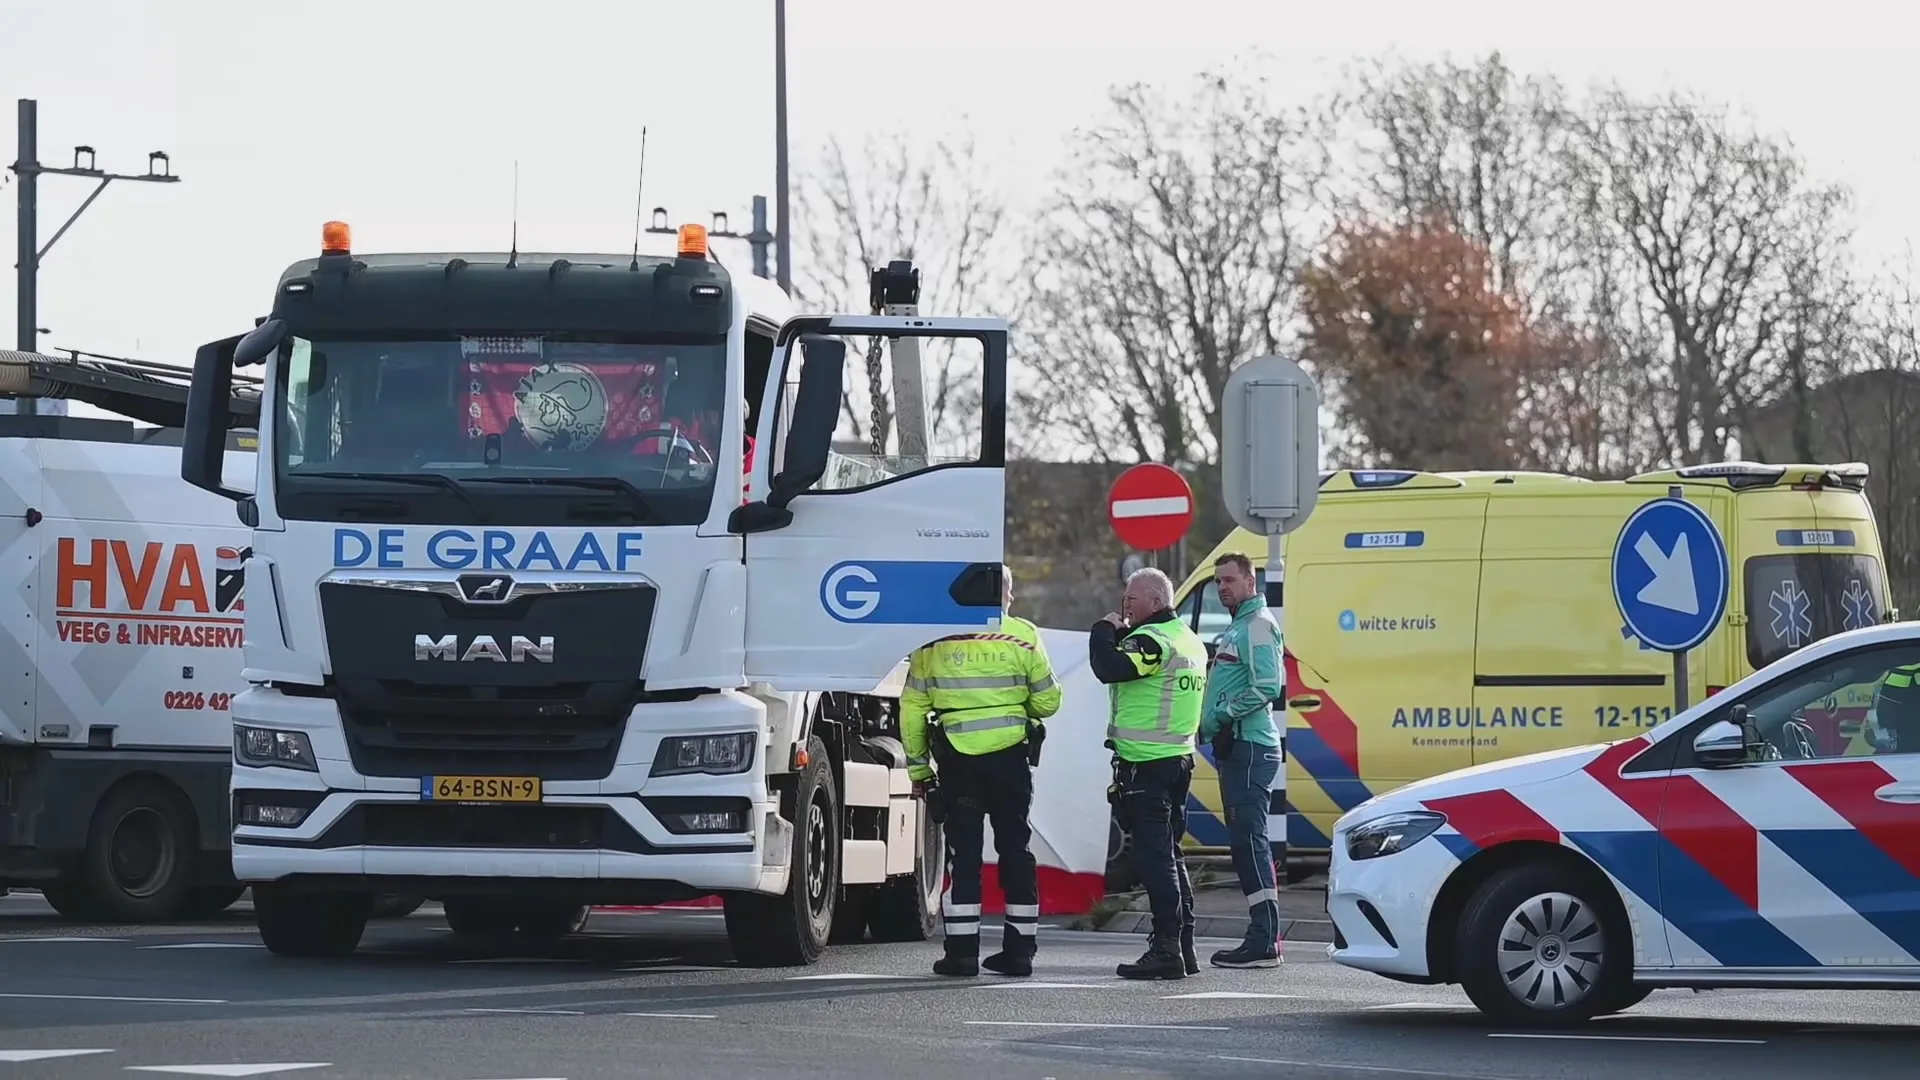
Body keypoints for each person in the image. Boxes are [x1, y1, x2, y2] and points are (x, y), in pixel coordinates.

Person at [901, 565, 1062, 978]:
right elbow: (1048, 702)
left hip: (959, 763)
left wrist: (919, 769)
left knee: (964, 857)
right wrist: (1012, 709)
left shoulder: (933, 641)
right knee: (1016, 852)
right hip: (1010, 761)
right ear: (1004, 594)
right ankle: (1020, 951)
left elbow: (912, 711)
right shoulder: (1023, 635)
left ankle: (961, 954)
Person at [1091, 566, 1207, 980]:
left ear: (1156, 602)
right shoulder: (1188, 640)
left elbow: (1109, 666)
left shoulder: (1152, 641)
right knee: (1170, 855)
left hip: (1147, 763)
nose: (1124, 605)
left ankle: (1165, 950)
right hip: (1177, 759)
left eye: (1132, 599)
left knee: (1155, 859)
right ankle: (1184, 947)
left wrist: (1102, 629)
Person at [1198, 552, 1285, 968]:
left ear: (1251, 582)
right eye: (1218, 581)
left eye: (1230, 580)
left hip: (1250, 747)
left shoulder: (1258, 626)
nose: (1222, 587)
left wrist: (1223, 715)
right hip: (1238, 748)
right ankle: (1262, 937)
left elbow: (1268, 685)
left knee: (1250, 843)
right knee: (1245, 843)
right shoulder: (1238, 626)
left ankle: (1264, 940)